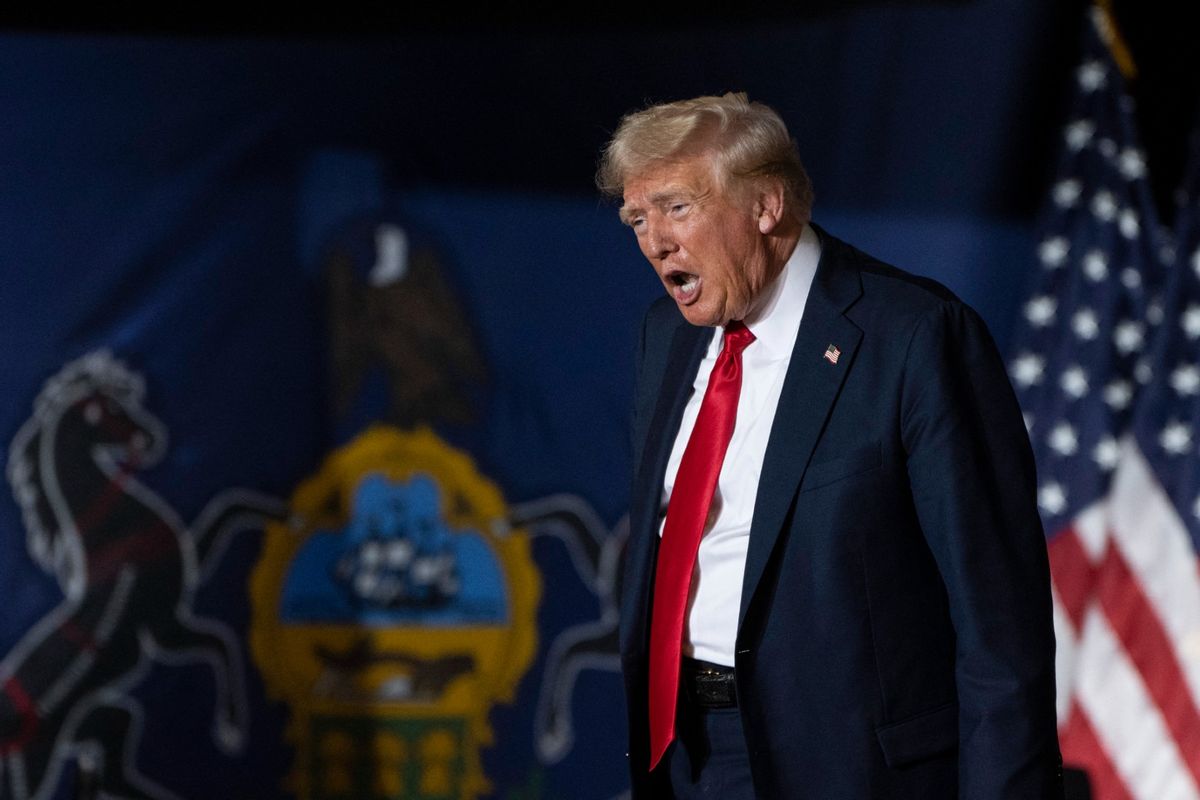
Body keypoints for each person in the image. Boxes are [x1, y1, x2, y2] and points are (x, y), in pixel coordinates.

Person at [597, 92, 1063, 799]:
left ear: (766, 205)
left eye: (677, 208)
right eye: (637, 217)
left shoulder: (915, 336)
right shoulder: (666, 336)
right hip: (687, 752)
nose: (653, 241)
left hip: (850, 766)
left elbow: (1000, 623)